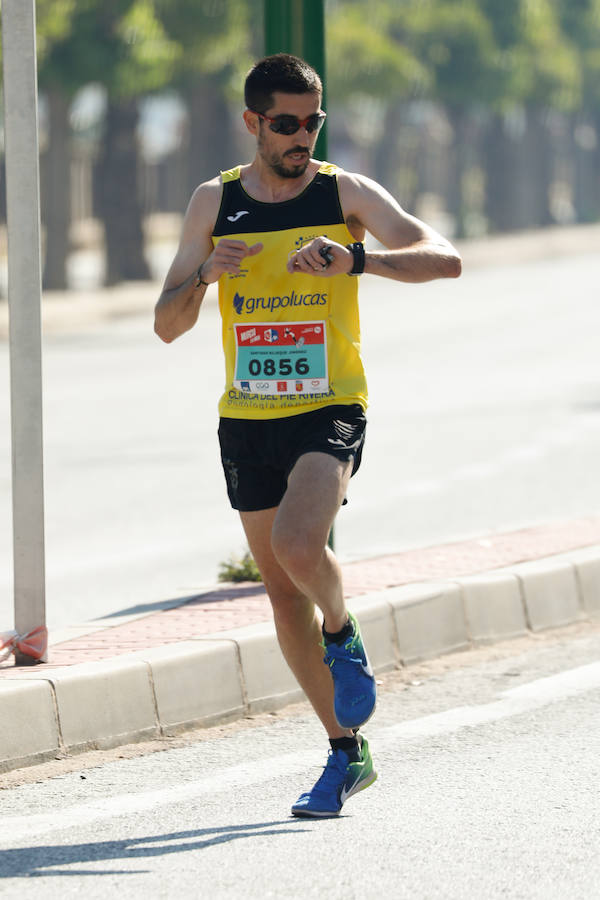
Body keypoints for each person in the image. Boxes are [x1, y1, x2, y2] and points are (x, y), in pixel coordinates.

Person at [154, 53, 461, 818]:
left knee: (300, 545)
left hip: (330, 406)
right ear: (253, 123)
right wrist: (203, 278)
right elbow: (166, 325)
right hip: (247, 416)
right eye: (285, 124)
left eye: (312, 121)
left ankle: (344, 629)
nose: (300, 137)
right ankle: (344, 753)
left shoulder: (342, 191)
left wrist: (356, 259)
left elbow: (444, 258)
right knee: (280, 598)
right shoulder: (213, 203)